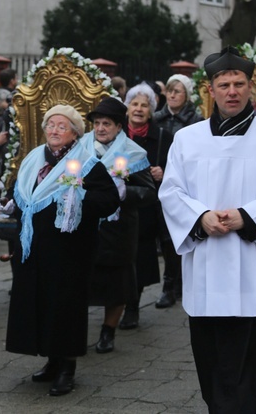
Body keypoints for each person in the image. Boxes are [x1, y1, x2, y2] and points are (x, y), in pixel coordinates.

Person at [159, 46, 256, 413]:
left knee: (248, 372)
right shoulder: (188, 139)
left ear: (250, 87)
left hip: (254, 271)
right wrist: (199, 218)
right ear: (209, 90)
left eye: (239, 83)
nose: (232, 91)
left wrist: (247, 216)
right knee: (211, 369)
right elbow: (171, 190)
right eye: (223, 84)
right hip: (207, 269)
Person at [5, 104, 119, 396]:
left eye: (62, 126)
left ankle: (67, 367)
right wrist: (7, 204)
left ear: (75, 133)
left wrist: (80, 190)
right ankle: (51, 360)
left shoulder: (86, 163)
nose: (54, 131)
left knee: (64, 306)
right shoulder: (33, 158)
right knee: (41, 303)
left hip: (70, 251)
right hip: (35, 249)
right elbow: (20, 192)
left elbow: (109, 201)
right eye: (50, 125)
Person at [81, 97, 156, 353]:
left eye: (107, 124)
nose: (100, 128)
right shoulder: (81, 148)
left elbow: (148, 192)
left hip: (118, 230)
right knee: (83, 280)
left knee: (115, 284)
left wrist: (125, 193)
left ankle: (107, 332)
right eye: (97, 123)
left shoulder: (133, 153)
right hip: (87, 227)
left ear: (118, 127)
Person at [151, 73, 204, 309]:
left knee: (180, 235)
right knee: (164, 238)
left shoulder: (196, 120)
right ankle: (169, 285)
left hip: (185, 183)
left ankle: (181, 282)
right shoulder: (157, 119)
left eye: (177, 91)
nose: (172, 95)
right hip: (156, 184)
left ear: (187, 95)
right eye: (169, 91)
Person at [119, 83, 166, 329]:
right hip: (117, 205)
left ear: (151, 110)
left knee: (138, 257)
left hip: (144, 205)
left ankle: (132, 307)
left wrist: (164, 172)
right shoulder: (115, 135)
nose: (138, 109)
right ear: (126, 107)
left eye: (144, 105)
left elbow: (178, 169)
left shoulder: (162, 137)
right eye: (134, 104)